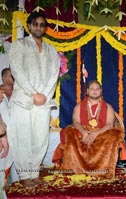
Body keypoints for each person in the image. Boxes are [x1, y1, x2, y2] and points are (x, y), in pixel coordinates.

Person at [8, 12, 60, 187]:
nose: (39, 27)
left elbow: (54, 75)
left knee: (40, 138)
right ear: (29, 26)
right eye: (35, 24)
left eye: (42, 24)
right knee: (23, 137)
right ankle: (24, 176)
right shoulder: (19, 45)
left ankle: (34, 172)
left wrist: (43, 95)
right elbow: (16, 70)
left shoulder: (51, 50)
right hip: (23, 99)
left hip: (44, 101)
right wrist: (33, 93)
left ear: (45, 28)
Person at [61, 80, 125, 178]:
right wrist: (85, 133)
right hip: (83, 133)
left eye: (97, 89)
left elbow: (109, 125)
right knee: (69, 131)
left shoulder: (108, 107)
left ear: (101, 91)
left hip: (101, 135)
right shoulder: (79, 106)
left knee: (114, 135)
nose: (94, 91)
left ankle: (102, 171)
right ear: (87, 91)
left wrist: (95, 134)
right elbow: (76, 123)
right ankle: (74, 169)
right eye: (92, 89)